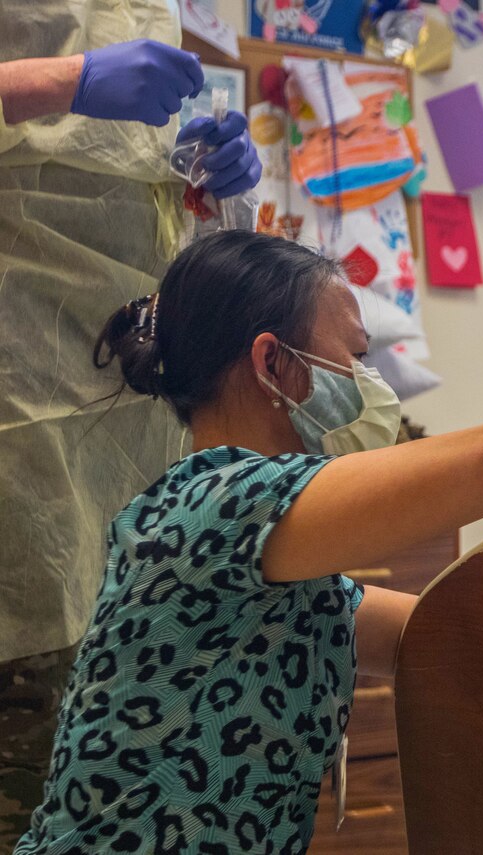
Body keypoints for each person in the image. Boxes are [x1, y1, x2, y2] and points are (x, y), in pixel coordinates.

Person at [15, 231, 483, 852]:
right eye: (354, 357)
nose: (370, 382)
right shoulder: (215, 505)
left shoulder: (275, 569)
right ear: (272, 363)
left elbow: (448, 632)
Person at [0, 3, 262, 844]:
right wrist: (59, 81)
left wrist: (217, 176)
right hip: (15, 367)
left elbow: (140, 164)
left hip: (128, 391)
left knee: (118, 767)